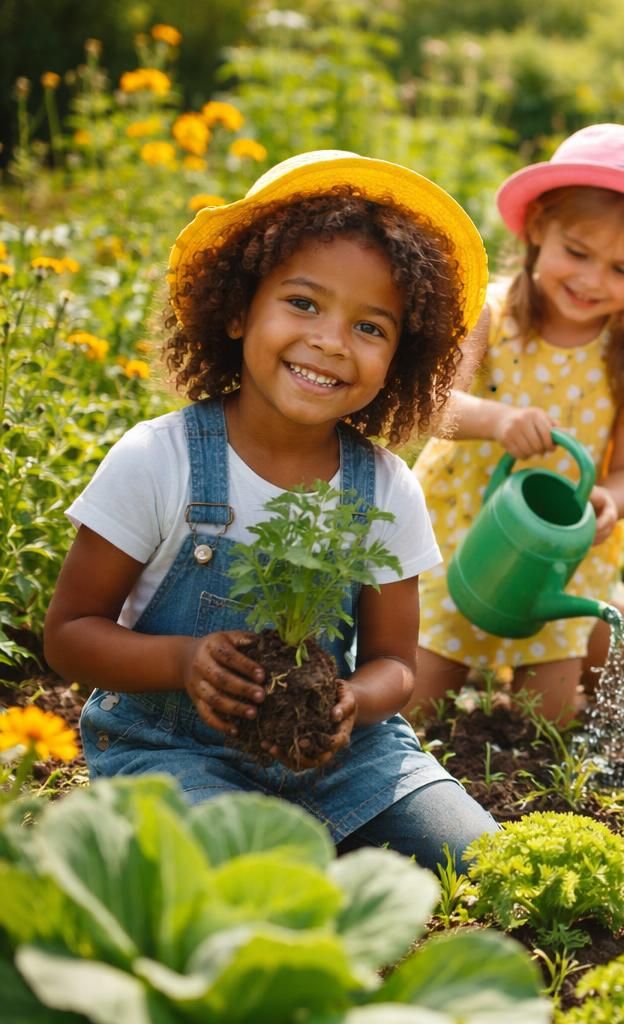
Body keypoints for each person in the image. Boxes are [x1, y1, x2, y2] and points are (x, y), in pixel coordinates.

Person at [43, 150, 498, 871]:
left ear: (400, 361)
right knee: (255, 875)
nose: (329, 341)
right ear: (235, 310)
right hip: (171, 749)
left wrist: (354, 701)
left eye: (370, 327)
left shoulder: (383, 488)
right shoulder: (158, 459)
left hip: (344, 757)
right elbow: (69, 636)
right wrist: (183, 659)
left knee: (478, 857)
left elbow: (394, 665)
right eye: (303, 303)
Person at [409, 123, 624, 725]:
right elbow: (433, 406)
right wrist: (496, 420)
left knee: (544, 723)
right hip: (458, 532)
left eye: (622, 270)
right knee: (414, 709)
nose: (593, 280)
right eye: (577, 253)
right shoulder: (490, 316)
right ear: (539, 226)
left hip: (559, 556)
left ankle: (596, 660)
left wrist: (609, 501)